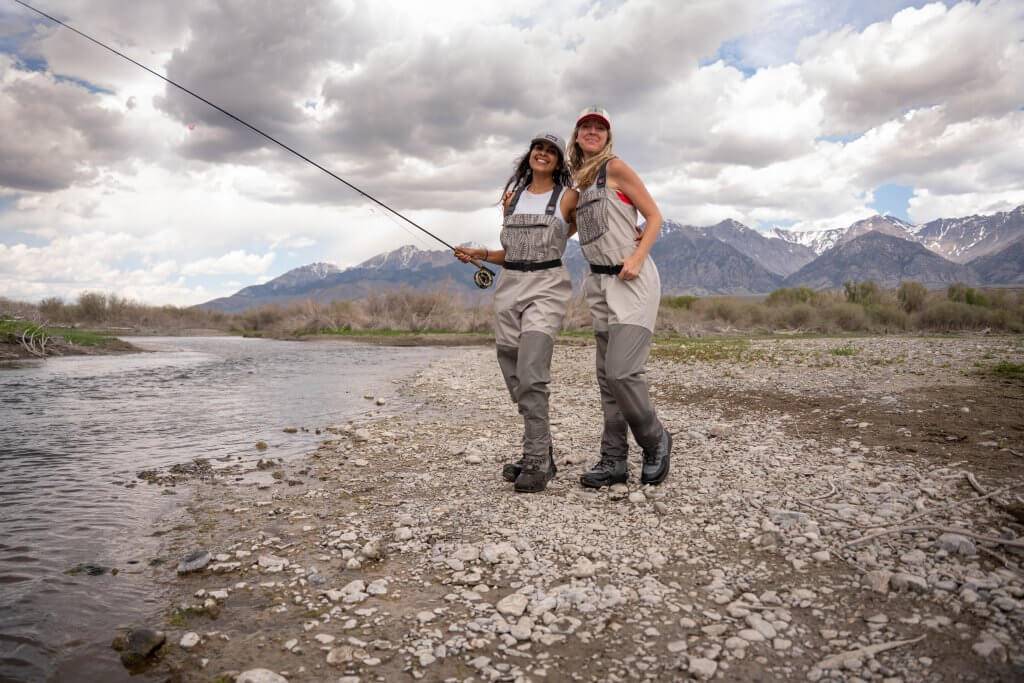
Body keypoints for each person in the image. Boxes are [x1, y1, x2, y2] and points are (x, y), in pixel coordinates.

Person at [454, 133, 578, 493]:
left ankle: (537, 458)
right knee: (512, 368)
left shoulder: (568, 197)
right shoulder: (511, 199)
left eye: (551, 151)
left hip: (547, 287)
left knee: (531, 371)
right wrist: (479, 254)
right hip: (509, 287)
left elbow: (588, 228)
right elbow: (509, 253)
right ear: (530, 156)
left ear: (559, 162)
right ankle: (541, 449)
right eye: (539, 148)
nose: (543, 154)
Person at [567, 106, 672, 488]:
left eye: (600, 127)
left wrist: (637, 257)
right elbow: (560, 232)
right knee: (606, 380)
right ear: (577, 135)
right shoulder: (578, 186)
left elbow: (655, 216)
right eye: (586, 127)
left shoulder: (616, 168)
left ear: (607, 136)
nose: (592, 131)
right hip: (598, 286)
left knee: (622, 372)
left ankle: (655, 438)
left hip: (633, 280)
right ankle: (613, 460)